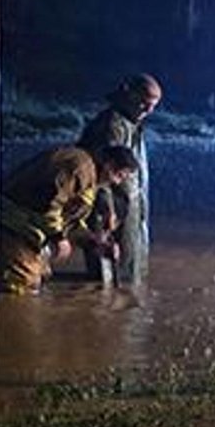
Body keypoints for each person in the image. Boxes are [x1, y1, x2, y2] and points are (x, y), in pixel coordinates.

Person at [0, 145, 138, 294]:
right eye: (120, 175)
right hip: (12, 223)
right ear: (109, 165)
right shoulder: (80, 166)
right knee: (21, 282)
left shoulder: (90, 178)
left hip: (28, 228)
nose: (117, 182)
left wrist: (94, 242)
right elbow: (51, 201)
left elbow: (70, 222)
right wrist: (58, 236)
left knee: (40, 278)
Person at [79, 73, 161, 284]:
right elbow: (101, 172)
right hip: (112, 208)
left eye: (153, 105)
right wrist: (107, 208)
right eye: (144, 103)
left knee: (125, 273)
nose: (148, 110)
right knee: (109, 276)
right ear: (129, 94)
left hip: (129, 205)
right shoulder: (112, 125)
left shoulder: (131, 122)